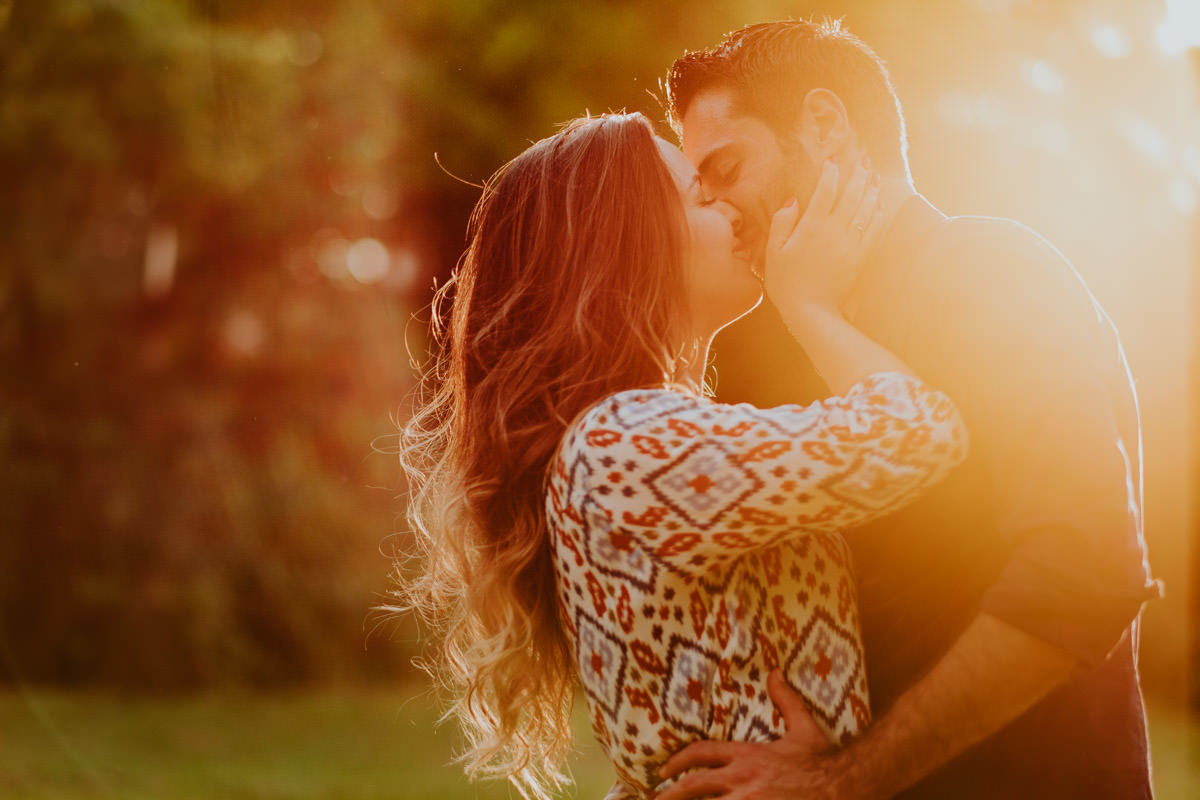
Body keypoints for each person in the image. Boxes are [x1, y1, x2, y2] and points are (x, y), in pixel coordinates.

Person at [654, 18, 1162, 800]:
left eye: (726, 168)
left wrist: (843, 781)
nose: (716, 208)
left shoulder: (983, 268)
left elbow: (1086, 570)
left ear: (824, 124)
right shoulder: (838, 342)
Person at [393, 111, 969, 800]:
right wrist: (812, 307)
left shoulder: (641, 437)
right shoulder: (627, 444)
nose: (734, 209)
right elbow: (919, 431)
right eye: (701, 196)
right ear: (627, 246)